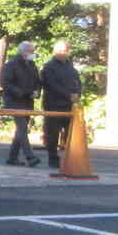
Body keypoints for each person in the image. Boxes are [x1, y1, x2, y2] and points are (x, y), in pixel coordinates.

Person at [38, 41, 81, 169]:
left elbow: (78, 82)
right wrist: (68, 95)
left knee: (70, 134)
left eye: (66, 50)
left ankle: (69, 158)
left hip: (69, 105)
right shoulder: (48, 67)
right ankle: (53, 159)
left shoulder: (70, 66)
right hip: (53, 104)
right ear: (55, 51)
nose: (64, 53)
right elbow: (51, 85)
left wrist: (78, 94)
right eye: (61, 50)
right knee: (52, 134)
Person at [0, 40, 40, 167]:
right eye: (31, 51)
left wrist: (37, 92)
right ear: (23, 51)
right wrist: (22, 93)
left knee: (20, 130)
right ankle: (30, 157)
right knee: (22, 128)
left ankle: (12, 158)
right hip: (14, 102)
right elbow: (6, 84)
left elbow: (38, 82)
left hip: (28, 101)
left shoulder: (32, 65)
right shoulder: (11, 65)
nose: (33, 54)